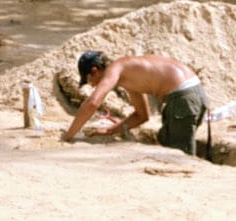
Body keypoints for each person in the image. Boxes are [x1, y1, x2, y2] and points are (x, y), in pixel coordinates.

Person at [62, 50, 209, 155]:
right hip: (192, 94)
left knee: (178, 156)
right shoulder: (129, 73)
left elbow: (92, 103)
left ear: (95, 71)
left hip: (183, 98)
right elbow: (142, 115)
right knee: (165, 140)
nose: (93, 85)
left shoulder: (115, 68)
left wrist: (69, 135)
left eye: (89, 80)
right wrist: (110, 130)